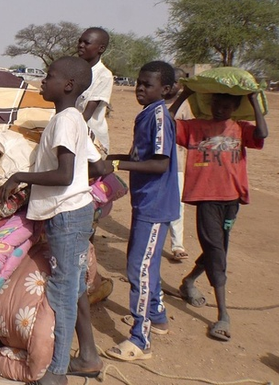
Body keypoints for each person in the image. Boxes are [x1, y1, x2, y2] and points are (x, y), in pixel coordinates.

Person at [0, 56, 107, 385]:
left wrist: (19, 175)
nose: (43, 81)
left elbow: (63, 174)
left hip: (68, 216)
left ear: (69, 85)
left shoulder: (64, 121)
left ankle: (57, 372)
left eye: (50, 76)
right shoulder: (71, 119)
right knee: (72, 288)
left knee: (61, 291)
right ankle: (87, 356)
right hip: (72, 214)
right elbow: (99, 165)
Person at [169, 87, 268, 342]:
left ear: (235, 107)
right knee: (216, 250)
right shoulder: (194, 127)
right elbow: (166, 123)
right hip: (205, 197)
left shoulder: (241, 127)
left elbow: (263, 133)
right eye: (216, 104)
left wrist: (254, 101)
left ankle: (189, 281)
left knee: (219, 247)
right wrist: (185, 95)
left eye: (226, 106)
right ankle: (223, 314)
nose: (220, 109)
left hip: (231, 198)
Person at [104, 61, 180, 362]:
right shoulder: (147, 114)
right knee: (146, 263)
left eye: (148, 85)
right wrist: (110, 158)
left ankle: (140, 338)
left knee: (139, 267)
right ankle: (157, 317)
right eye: (138, 82)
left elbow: (159, 163)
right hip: (146, 200)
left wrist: (116, 165)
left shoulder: (160, 116)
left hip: (155, 204)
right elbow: (140, 157)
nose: (140, 88)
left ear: (165, 90)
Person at [164, 68, 191, 262]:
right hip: (157, 161)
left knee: (178, 204)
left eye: (176, 82)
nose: (173, 85)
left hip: (178, 162)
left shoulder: (186, 106)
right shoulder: (154, 101)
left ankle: (177, 244)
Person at [76, 27, 113, 154]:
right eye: (80, 41)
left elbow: (86, 114)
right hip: (74, 131)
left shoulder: (104, 76)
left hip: (92, 139)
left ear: (101, 48)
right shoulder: (74, 71)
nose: (81, 45)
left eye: (87, 43)